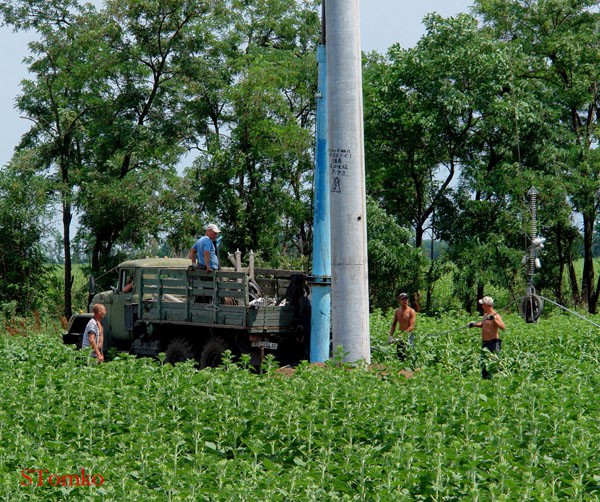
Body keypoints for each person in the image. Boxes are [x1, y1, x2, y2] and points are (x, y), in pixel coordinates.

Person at [468, 296, 505, 378]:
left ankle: (497, 379)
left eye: (483, 304)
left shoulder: (495, 314)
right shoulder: (485, 315)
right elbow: (483, 324)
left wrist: (494, 319)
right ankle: (485, 380)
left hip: (493, 343)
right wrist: (473, 324)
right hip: (485, 343)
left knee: (494, 363)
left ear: (488, 305)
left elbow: (503, 327)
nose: (482, 306)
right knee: (484, 363)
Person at [388, 292, 416, 361]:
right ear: (399, 300)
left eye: (406, 299)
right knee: (400, 355)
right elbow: (394, 324)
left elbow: (411, 326)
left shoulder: (411, 311)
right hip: (400, 333)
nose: (405, 301)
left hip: (408, 335)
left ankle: (411, 370)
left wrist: (403, 335)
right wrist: (390, 336)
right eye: (403, 299)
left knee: (410, 354)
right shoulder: (397, 311)